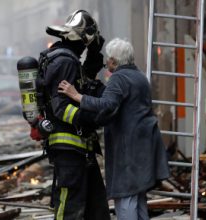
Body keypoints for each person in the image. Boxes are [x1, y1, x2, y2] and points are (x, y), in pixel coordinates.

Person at [58, 38, 170, 220]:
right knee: (138, 195)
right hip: (145, 144)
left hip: (129, 148)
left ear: (115, 61)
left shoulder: (119, 77)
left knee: (125, 195)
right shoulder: (140, 76)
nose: (106, 62)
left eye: (109, 58)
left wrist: (76, 95)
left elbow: (107, 104)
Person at [39, 10, 110, 220]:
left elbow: (83, 82)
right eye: (88, 44)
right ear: (81, 39)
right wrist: (88, 118)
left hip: (79, 147)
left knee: (95, 206)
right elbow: (61, 106)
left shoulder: (63, 58)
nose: (86, 48)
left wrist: (95, 55)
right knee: (69, 206)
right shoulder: (66, 61)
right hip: (69, 145)